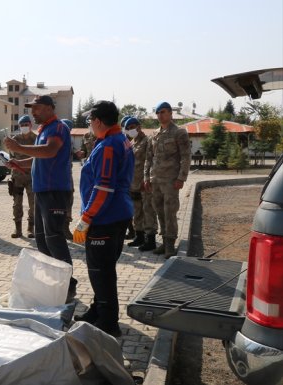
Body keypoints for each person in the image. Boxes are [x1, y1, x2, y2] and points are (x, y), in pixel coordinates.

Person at [4, 95, 77, 301]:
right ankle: (53, 283)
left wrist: (18, 148)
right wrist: (19, 163)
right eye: (32, 108)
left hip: (55, 190)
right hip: (42, 190)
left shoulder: (58, 127)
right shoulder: (44, 129)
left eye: (36, 108)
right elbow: (38, 158)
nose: (32, 112)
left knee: (54, 238)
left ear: (48, 108)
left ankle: (68, 285)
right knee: (42, 239)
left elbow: (50, 151)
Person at [71, 100, 134, 338]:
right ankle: (99, 309)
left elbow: (104, 188)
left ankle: (108, 322)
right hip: (117, 214)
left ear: (98, 121)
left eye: (90, 121)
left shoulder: (109, 145)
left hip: (105, 218)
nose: (89, 125)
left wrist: (86, 218)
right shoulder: (118, 140)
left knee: (101, 271)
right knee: (102, 269)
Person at [143, 102, 190, 258]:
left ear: (170, 113)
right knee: (159, 212)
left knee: (170, 212)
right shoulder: (154, 134)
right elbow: (148, 158)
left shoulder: (179, 133)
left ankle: (170, 245)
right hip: (155, 180)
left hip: (171, 181)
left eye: (163, 112)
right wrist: (146, 177)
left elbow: (185, 157)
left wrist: (181, 178)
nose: (160, 115)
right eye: (157, 113)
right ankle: (164, 242)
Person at [124, 118, 157, 249]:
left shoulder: (147, 141)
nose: (131, 129)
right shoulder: (132, 142)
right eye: (129, 127)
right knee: (137, 210)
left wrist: (147, 178)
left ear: (139, 126)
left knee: (148, 210)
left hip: (144, 183)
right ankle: (139, 236)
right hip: (133, 183)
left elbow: (151, 161)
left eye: (133, 126)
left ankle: (151, 239)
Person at [8, 115, 37, 238]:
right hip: (18, 177)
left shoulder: (37, 139)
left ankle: (31, 228)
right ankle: (17, 229)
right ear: (19, 126)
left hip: (32, 176)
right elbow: (11, 157)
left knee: (33, 204)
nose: (24, 127)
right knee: (17, 203)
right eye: (22, 125)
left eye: (26, 124)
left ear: (31, 125)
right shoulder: (14, 140)